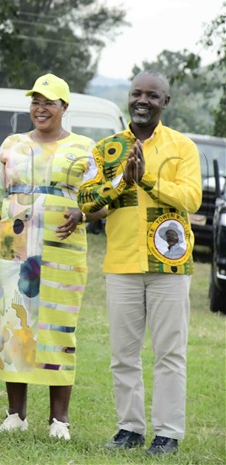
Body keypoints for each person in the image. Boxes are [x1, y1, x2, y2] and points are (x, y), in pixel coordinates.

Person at [0, 73, 104, 441]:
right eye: (36, 102)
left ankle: (59, 420)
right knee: (13, 327)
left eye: (49, 102)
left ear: (64, 107)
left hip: (61, 253)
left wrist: (85, 213)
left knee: (57, 327)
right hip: (13, 250)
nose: (41, 108)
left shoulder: (85, 148)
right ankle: (16, 414)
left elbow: (103, 201)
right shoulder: (11, 144)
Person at [78, 70, 201, 456]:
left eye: (152, 95)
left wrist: (146, 180)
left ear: (165, 102)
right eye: (136, 93)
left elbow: (191, 198)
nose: (142, 101)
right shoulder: (107, 149)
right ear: (129, 98)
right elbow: (86, 201)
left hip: (169, 266)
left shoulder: (182, 147)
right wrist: (122, 182)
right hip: (122, 263)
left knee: (170, 353)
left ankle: (168, 434)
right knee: (123, 355)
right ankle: (129, 429)